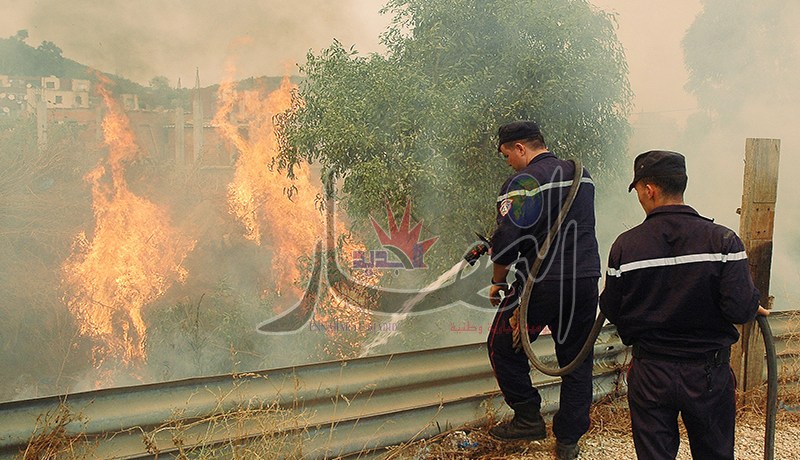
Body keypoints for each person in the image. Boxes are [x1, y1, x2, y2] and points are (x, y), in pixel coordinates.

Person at [598, 150, 769, 459]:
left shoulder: (625, 246)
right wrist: (749, 301)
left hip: (651, 373)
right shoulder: (724, 241)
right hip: (708, 374)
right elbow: (739, 309)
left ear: (649, 189)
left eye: (638, 190)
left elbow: (611, 309)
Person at [487, 121, 601, 460]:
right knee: (576, 359)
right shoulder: (581, 176)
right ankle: (568, 440)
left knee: (501, 344)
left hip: (542, 285)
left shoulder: (522, 184)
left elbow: (507, 243)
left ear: (520, 148)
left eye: (507, 155)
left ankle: (527, 418)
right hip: (584, 283)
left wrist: (498, 281)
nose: (509, 163)